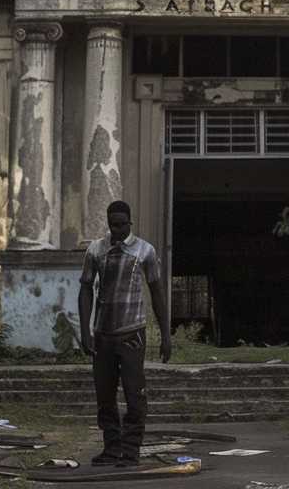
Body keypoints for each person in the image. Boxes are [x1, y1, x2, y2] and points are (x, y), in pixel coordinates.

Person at [79, 200, 171, 467]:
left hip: (132, 334)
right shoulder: (96, 250)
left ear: (129, 223)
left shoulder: (145, 251)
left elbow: (157, 293)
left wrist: (166, 336)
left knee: (134, 395)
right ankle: (111, 448)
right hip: (103, 335)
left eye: (121, 224)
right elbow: (85, 288)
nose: (116, 230)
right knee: (105, 396)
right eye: (112, 224)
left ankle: (130, 451)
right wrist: (85, 331)